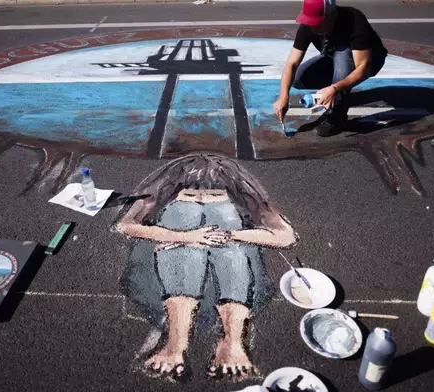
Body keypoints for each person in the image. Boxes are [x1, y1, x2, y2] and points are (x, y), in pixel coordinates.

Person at [114, 153, 298, 379]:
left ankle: (232, 342)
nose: (203, 199)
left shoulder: (238, 195)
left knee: (233, 251)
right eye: (192, 193)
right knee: (185, 231)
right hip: (182, 229)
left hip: (227, 230)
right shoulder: (168, 192)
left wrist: (231, 235)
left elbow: (286, 236)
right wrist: (186, 236)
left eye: (213, 194)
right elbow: (126, 224)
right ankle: (175, 344)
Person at [273, 0, 388, 137]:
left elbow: (363, 69)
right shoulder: (309, 25)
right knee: (299, 78)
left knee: (342, 53)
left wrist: (334, 89)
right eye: (310, 21)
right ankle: (338, 93)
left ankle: (337, 115)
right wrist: (283, 96)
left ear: (332, 15)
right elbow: (292, 63)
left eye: (317, 22)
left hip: (370, 60)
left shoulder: (354, 20)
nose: (313, 27)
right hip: (334, 56)